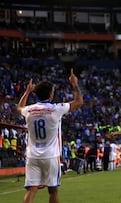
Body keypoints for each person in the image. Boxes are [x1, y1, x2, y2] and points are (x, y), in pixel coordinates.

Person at [17, 68, 83, 203]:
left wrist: (27, 91)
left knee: (31, 189)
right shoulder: (55, 109)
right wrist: (75, 84)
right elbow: (78, 102)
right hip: (51, 156)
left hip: (32, 155)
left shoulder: (29, 110)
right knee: (52, 190)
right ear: (51, 94)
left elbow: (19, 108)